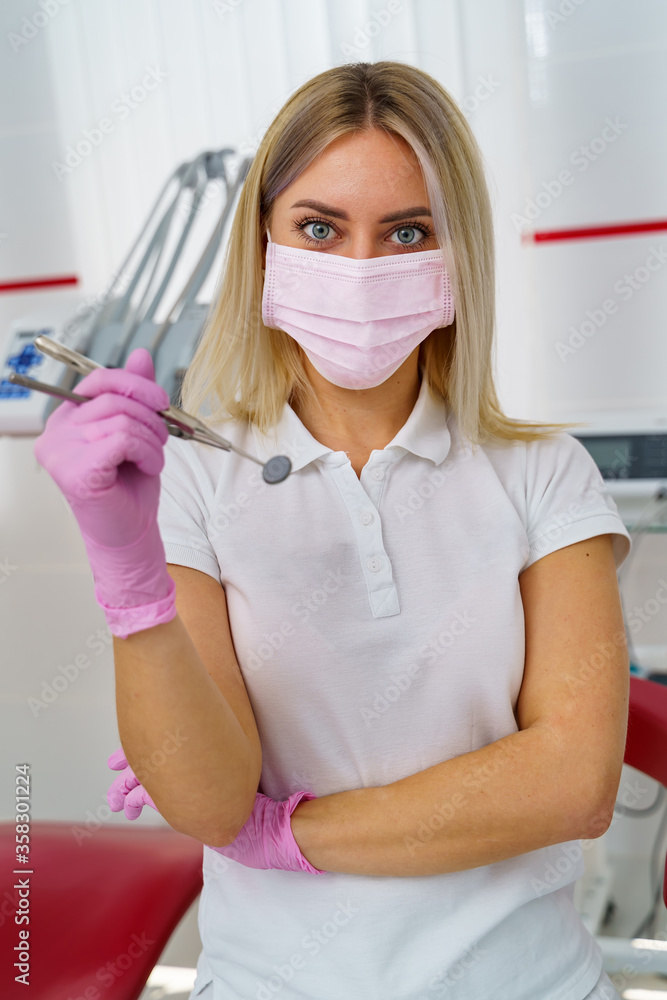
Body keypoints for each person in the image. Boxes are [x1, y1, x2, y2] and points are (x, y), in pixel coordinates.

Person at [35, 61, 631, 1000]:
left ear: (455, 251)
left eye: (406, 232)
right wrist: (128, 569)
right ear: (263, 242)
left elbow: (573, 784)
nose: (360, 269)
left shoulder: (542, 472)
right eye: (319, 227)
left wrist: (281, 833)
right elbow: (205, 800)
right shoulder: (190, 476)